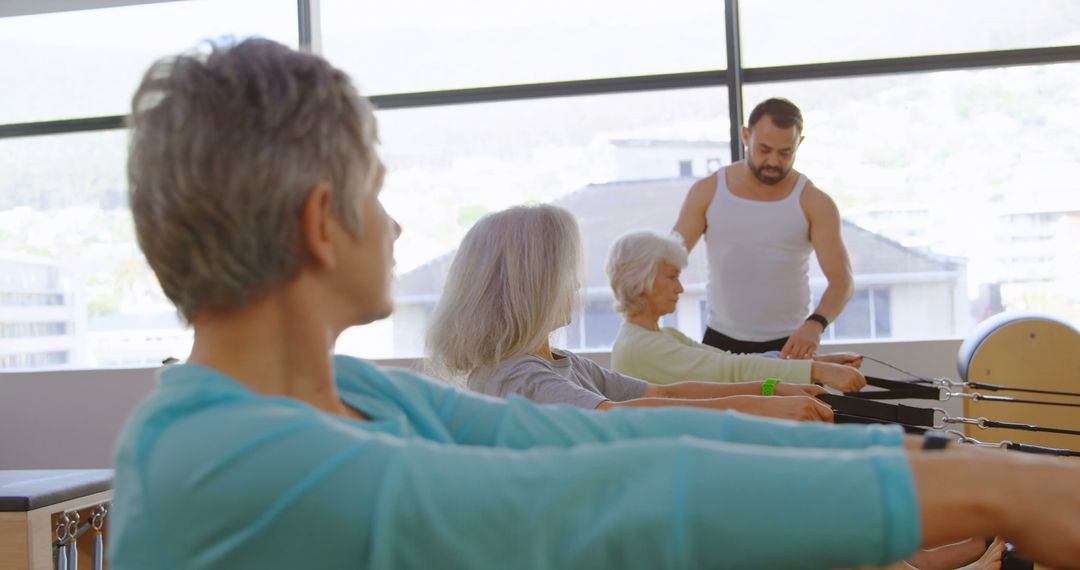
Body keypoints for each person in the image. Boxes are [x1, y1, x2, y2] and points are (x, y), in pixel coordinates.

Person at [109, 38, 1080, 569]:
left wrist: (952, 461)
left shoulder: (366, 394)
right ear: (323, 223)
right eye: (377, 188)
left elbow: (607, 446)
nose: (398, 230)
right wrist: (998, 487)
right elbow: (589, 501)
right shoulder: (219, 456)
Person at [425, 204, 834, 422]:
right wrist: (761, 403)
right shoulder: (512, 375)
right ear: (533, 288)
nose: (575, 287)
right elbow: (617, 417)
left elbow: (664, 393)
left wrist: (769, 391)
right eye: (565, 276)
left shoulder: (564, 365)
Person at [674, 97, 853, 359]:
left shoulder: (815, 202)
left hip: (790, 344)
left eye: (785, 152)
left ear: (799, 143)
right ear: (746, 137)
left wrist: (816, 325)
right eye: (764, 149)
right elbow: (669, 258)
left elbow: (842, 280)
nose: (773, 161)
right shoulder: (708, 191)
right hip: (720, 342)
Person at [606, 229, 866, 392]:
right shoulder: (639, 347)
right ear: (642, 280)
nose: (680, 288)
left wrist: (819, 362)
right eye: (671, 277)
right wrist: (817, 372)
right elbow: (730, 371)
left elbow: (729, 359)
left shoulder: (660, 336)